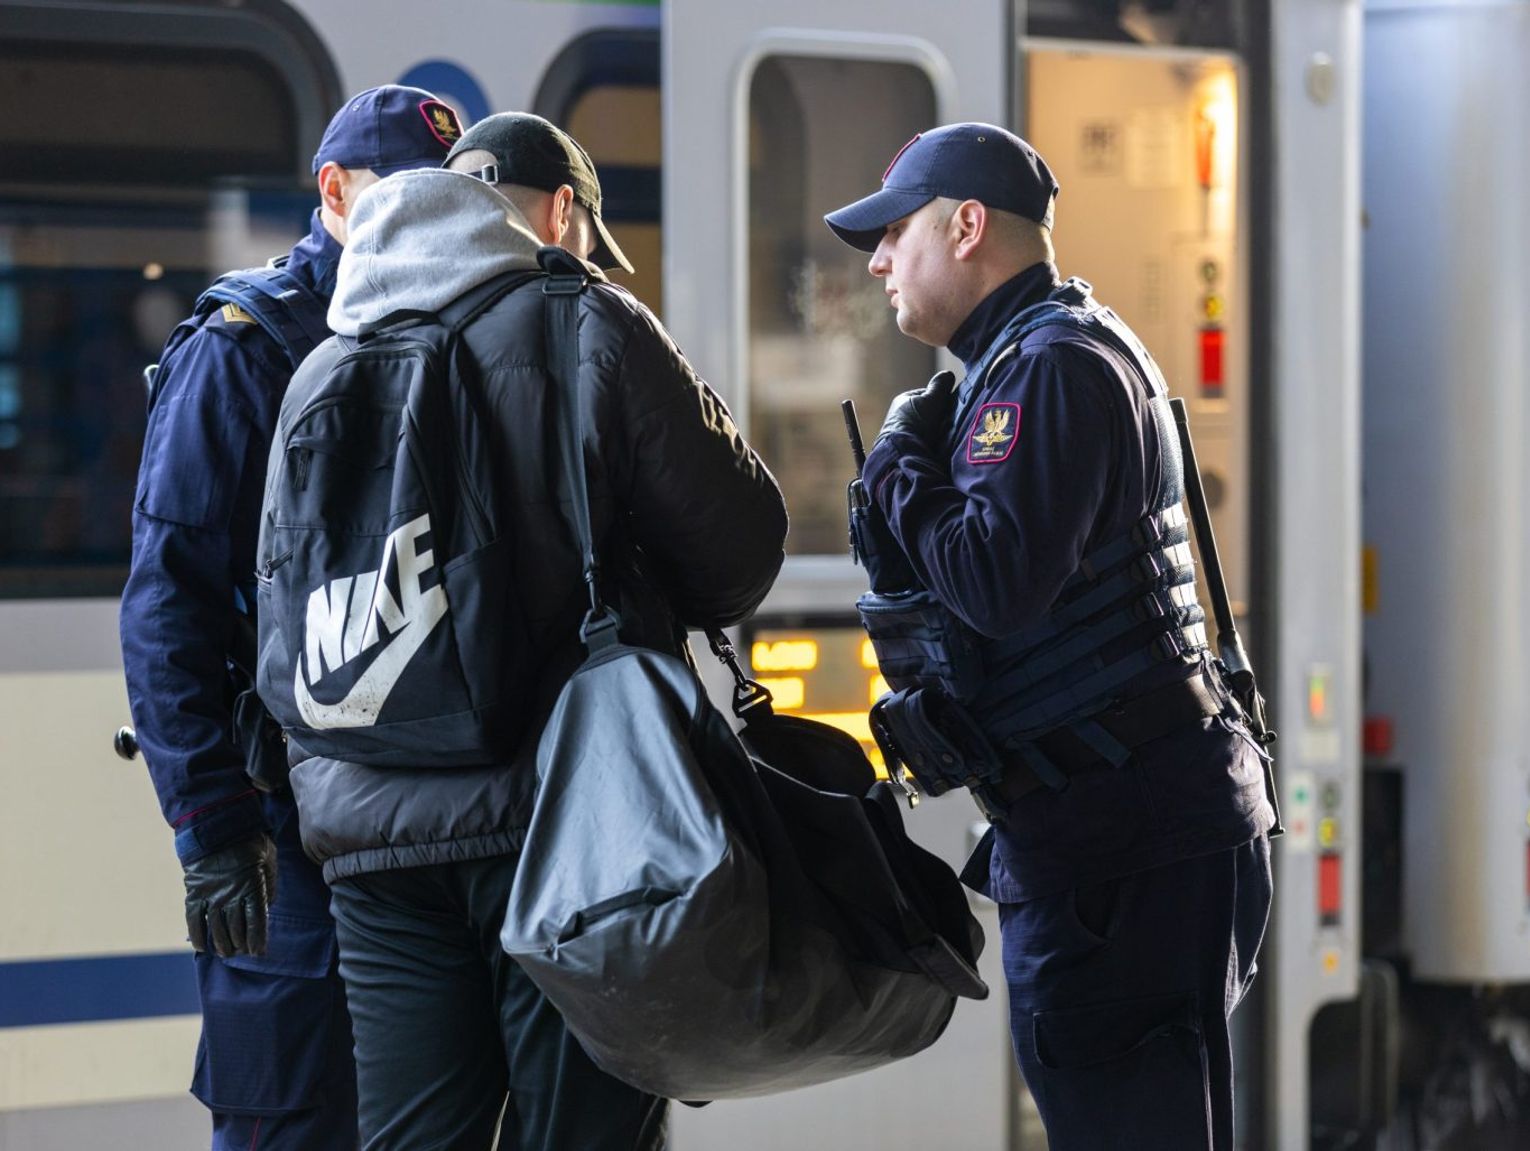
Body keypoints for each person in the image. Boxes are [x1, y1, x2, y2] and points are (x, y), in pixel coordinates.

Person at [261, 111, 788, 1150]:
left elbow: (282, 612)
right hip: (571, 818)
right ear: (558, 213)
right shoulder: (586, 320)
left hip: (371, 831)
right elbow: (739, 554)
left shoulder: (322, 366)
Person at [824, 123, 1276, 1150]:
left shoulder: (1051, 368)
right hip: (1122, 832)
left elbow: (992, 578)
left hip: (1124, 845)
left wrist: (898, 467)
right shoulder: (1041, 358)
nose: (881, 261)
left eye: (895, 234)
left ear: (968, 225)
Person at [119, 84, 463, 1149]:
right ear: (334, 192)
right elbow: (167, 595)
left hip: (418, 825)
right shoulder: (246, 346)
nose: (429, 224)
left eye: (447, 201)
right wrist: (211, 824)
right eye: (403, 196)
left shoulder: (449, 336)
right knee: (287, 1112)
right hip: (282, 828)